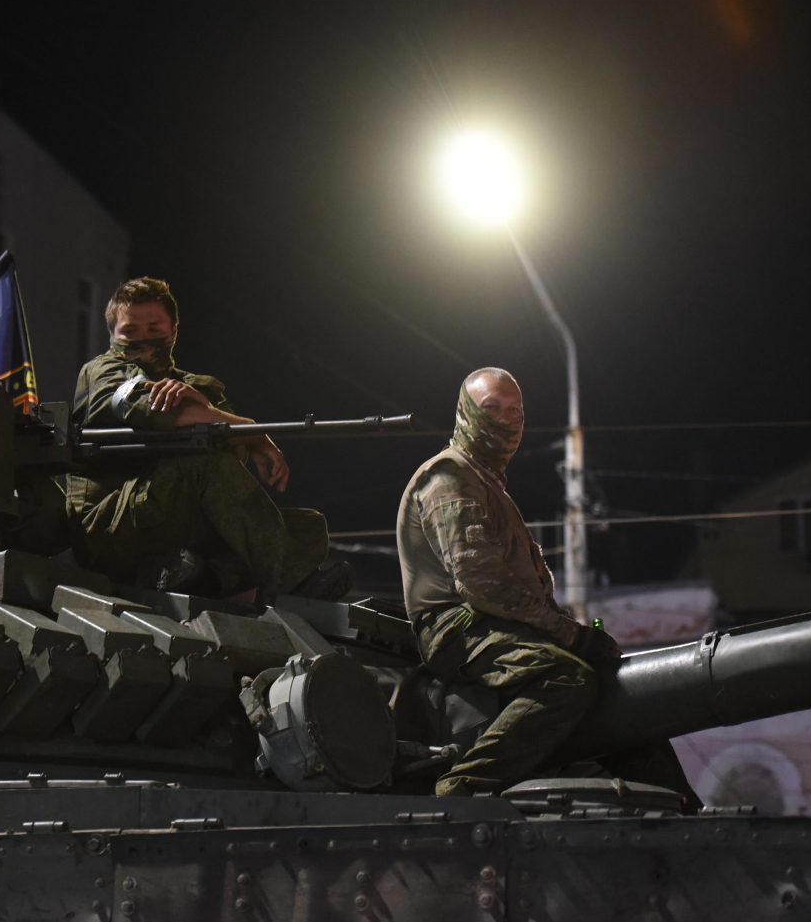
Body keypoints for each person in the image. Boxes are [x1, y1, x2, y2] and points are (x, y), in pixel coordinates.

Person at [396, 367, 620, 797]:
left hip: (490, 622)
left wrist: (580, 637)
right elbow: (483, 585)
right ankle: (462, 787)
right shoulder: (450, 477)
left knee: (607, 683)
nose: (505, 420)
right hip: (455, 627)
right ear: (465, 413)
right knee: (565, 679)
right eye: (491, 409)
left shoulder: (488, 485)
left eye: (515, 411)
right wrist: (571, 636)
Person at [66, 277, 349, 600]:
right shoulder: (102, 370)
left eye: (154, 329)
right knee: (204, 465)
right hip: (111, 528)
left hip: (172, 518)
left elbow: (231, 461)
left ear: (173, 329)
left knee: (308, 529)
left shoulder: (193, 386)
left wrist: (222, 420)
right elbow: (144, 406)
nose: (143, 340)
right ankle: (291, 585)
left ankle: (198, 576)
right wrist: (251, 430)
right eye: (130, 331)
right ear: (113, 334)